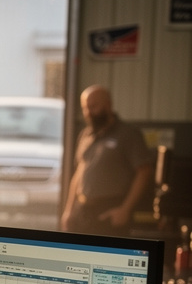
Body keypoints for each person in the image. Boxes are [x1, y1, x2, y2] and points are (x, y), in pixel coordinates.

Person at [61, 84, 154, 236]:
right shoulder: (85, 135)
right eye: (85, 108)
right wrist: (69, 210)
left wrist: (125, 209)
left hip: (109, 210)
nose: (89, 112)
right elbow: (80, 172)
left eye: (94, 106)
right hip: (83, 210)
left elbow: (144, 172)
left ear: (108, 105)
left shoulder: (128, 134)